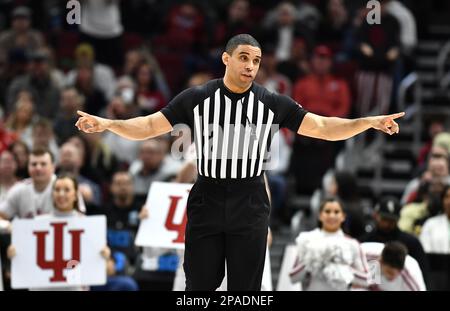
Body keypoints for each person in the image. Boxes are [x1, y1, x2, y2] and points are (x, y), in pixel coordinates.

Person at [75, 34, 404, 291]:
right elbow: (149, 126)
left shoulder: (272, 102)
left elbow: (321, 127)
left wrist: (367, 121)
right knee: (199, 287)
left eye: (256, 61)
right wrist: (108, 124)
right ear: (226, 59)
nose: (250, 66)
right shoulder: (197, 97)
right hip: (207, 195)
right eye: (244, 58)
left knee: (245, 290)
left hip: (250, 199)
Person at [7, 174, 110, 290]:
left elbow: (104, 269)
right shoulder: (36, 224)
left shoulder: (89, 227)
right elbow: (25, 262)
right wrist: (15, 254)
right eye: (57, 189)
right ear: (52, 194)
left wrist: (103, 256)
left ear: (76, 195)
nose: (61, 194)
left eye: (66, 190)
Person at [289, 197, 370, 290]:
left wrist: (344, 269)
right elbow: (293, 277)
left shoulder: (352, 244)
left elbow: (367, 279)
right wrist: (310, 260)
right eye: (327, 211)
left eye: (336, 212)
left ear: (343, 216)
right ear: (320, 215)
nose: (331, 216)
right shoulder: (307, 240)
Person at [361, 197, 429, 283]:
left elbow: (422, 274)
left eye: (391, 220)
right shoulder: (366, 241)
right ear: (376, 215)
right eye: (384, 219)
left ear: (398, 219)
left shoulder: (411, 243)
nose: (387, 224)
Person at [362, 242, 426, 291]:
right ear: (381, 261)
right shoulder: (364, 254)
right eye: (390, 272)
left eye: (398, 272)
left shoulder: (411, 274)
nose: (393, 277)